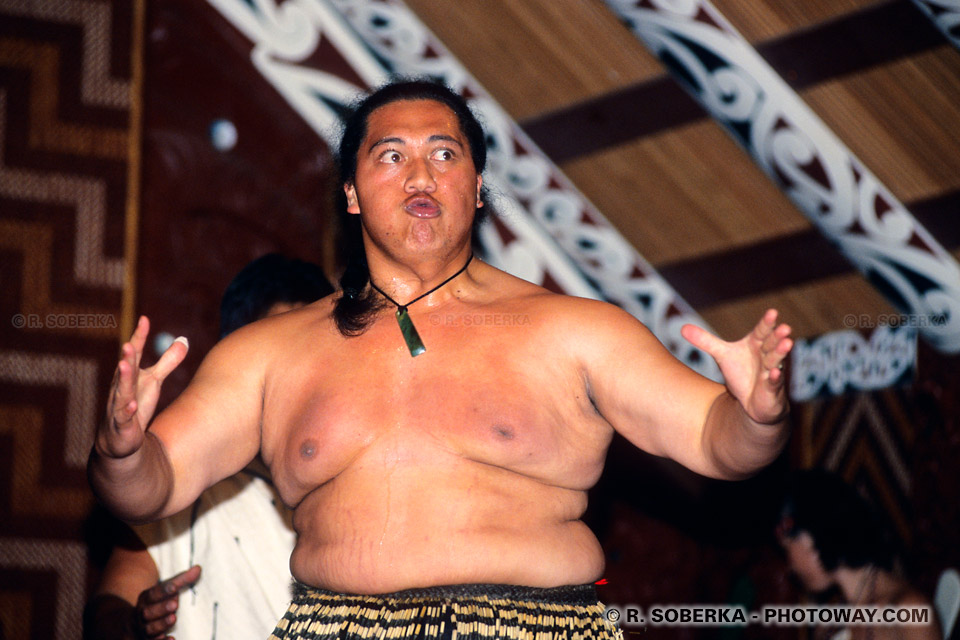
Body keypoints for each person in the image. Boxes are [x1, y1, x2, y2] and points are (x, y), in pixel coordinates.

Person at [88, 79, 794, 640]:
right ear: (352, 193)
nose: (420, 174)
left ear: (479, 186)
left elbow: (714, 440)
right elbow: (154, 486)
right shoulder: (269, 355)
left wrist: (758, 416)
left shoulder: (576, 331)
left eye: (445, 154)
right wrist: (122, 452)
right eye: (391, 156)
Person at [84, 254, 334, 640]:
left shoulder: (362, 483)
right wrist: (135, 624)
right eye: (274, 360)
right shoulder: (187, 487)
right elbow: (107, 612)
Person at [777, 469, 941, 640]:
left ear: (811, 539)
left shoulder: (909, 610)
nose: (790, 567)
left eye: (786, 549)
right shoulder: (831, 623)